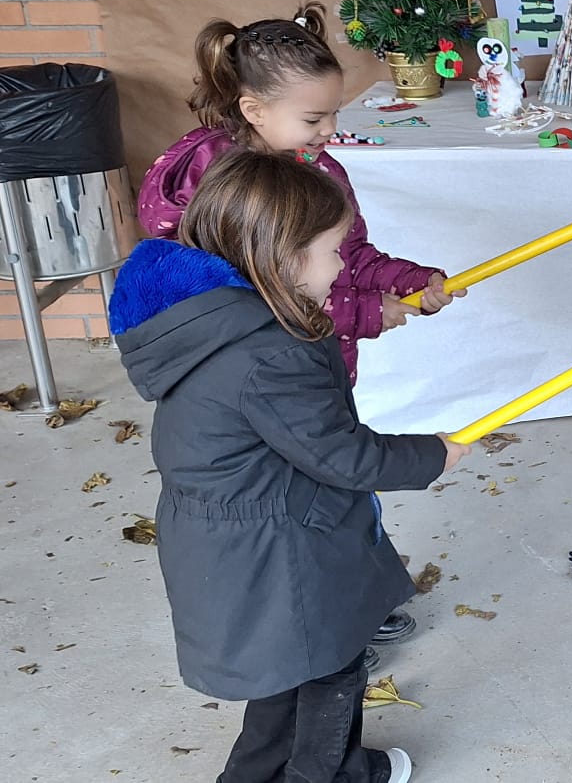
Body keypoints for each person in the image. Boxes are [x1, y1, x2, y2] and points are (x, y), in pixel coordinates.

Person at [109, 150, 470, 782]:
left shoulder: (217, 321)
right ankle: (334, 775)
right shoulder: (267, 353)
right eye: (333, 251)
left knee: (285, 677)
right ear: (283, 258)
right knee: (328, 666)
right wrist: (434, 453)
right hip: (279, 548)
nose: (342, 266)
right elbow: (343, 454)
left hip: (239, 535)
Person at [138, 1, 461, 660]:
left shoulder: (317, 168)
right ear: (254, 109)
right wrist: (367, 314)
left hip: (320, 369)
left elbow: (352, 255)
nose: (330, 130)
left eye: (333, 113)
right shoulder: (225, 189)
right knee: (316, 497)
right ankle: (328, 623)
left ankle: (357, 602)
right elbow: (255, 310)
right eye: (314, 118)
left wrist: (410, 280)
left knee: (341, 490)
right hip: (266, 388)